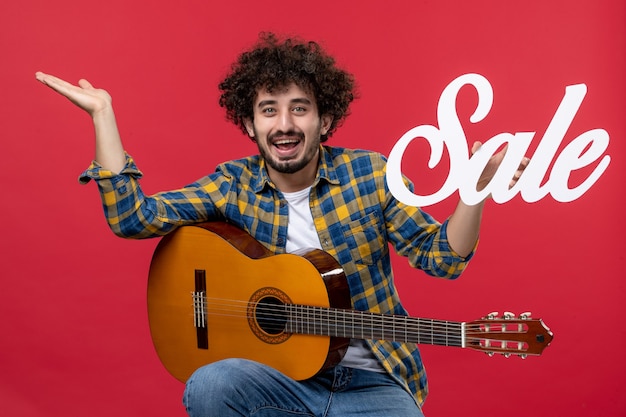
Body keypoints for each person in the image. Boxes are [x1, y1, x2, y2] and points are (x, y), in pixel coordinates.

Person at [36, 32, 527, 417]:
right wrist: (103, 116)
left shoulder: (372, 174)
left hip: (373, 381)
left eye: (300, 108)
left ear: (325, 119)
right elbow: (132, 218)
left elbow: (442, 260)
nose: (284, 124)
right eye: (269, 110)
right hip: (277, 378)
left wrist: (475, 190)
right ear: (250, 124)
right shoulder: (232, 185)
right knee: (210, 384)